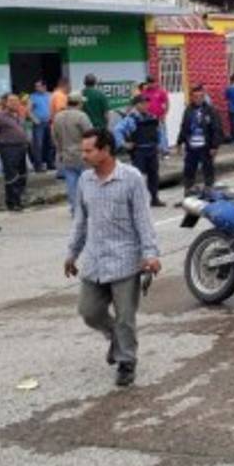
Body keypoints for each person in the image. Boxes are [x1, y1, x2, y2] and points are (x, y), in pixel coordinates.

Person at [64, 128, 161, 388]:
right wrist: (72, 253)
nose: (83, 156)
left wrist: (150, 254)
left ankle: (127, 362)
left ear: (105, 150)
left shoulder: (131, 178)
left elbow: (143, 220)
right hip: (94, 260)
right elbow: (80, 221)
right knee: (89, 312)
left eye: (88, 150)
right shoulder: (85, 180)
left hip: (125, 261)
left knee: (125, 318)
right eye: (83, 150)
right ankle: (116, 339)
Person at [114, 95, 163, 207]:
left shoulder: (152, 117)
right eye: (143, 103)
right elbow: (117, 130)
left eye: (147, 103)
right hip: (139, 151)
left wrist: (161, 145)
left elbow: (159, 131)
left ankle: (154, 198)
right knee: (137, 177)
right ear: (136, 105)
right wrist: (123, 144)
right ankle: (135, 201)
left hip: (152, 150)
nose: (146, 105)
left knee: (154, 175)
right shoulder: (130, 118)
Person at [179, 84, 223, 195]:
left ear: (204, 97)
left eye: (200, 96)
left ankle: (209, 189)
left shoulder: (210, 110)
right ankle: (188, 190)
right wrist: (180, 142)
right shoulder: (188, 110)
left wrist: (214, 145)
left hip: (206, 146)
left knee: (208, 168)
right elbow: (184, 126)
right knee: (189, 168)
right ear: (192, 97)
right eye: (195, 96)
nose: (198, 99)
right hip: (192, 146)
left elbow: (216, 128)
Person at [53, 92, 93, 214]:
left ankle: (75, 208)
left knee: (71, 183)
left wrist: (59, 150)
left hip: (65, 154)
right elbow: (90, 134)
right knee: (86, 182)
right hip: (82, 154)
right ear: (79, 103)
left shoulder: (58, 117)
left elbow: (55, 137)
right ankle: (86, 208)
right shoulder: (81, 116)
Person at [0, 94, 30, 212]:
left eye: (16, 101)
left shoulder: (18, 115)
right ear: (5, 103)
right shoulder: (0, 117)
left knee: (22, 175)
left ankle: (19, 199)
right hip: (9, 149)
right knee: (12, 176)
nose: (14, 103)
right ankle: (13, 202)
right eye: (11, 101)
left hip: (22, 148)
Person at [141, 76, 170, 156]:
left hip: (159, 116)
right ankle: (155, 150)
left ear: (155, 83)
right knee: (151, 134)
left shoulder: (161, 91)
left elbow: (167, 103)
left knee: (162, 133)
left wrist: (164, 114)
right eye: (149, 83)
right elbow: (142, 104)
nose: (151, 85)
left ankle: (165, 151)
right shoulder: (144, 92)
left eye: (152, 83)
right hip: (148, 117)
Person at [28, 80, 52, 173]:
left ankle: (50, 163)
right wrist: (34, 119)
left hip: (49, 122)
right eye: (36, 86)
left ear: (44, 87)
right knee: (38, 145)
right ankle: (38, 165)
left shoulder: (50, 95)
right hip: (39, 123)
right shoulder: (33, 97)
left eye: (38, 86)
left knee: (49, 144)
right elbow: (28, 110)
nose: (36, 88)